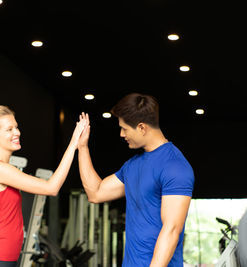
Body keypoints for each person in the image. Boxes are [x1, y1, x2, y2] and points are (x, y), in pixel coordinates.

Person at [77, 93, 194, 266]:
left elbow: (172, 230)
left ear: (141, 127)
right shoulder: (132, 166)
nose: (121, 134)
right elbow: (96, 193)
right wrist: (82, 147)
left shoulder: (175, 166)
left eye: (124, 128)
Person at [0, 105, 86, 267]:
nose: (17, 132)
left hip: (0, 258)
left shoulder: (1, 168)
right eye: (9, 129)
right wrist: (73, 144)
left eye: (16, 127)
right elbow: (51, 188)